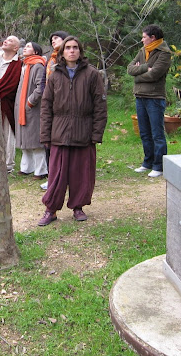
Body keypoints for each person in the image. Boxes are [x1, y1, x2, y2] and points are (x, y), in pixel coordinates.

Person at [38, 36, 107, 226]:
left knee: (81, 174)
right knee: (56, 176)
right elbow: (46, 107)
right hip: (59, 134)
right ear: (62, 52)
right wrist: (45, 134)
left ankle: (78, 207)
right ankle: (50, 210)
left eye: (75, 47)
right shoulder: (55, 75)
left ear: (80, 51)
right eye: (68, 48)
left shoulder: (92, 75)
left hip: (83, 134)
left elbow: (100, 107)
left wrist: (95, 134)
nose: (71, 51)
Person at [127, 24, 172, 178]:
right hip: (140, 97)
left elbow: (155, 75)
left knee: (157, 133)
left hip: (155, 98)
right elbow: (130, 69)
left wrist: (138, 76)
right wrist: (146, 68)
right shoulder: (143, 51)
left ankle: (159, 166)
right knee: (144, 133)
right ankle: (148, 162)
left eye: (144, 37)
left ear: (153, 38)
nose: (142, 40)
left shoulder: (164, 53)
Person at [38, 30, 69, 190]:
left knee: (64, 141)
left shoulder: (70, 58)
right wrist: (45, 97)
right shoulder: (50, 59)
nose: (53, 41)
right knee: (48, 140)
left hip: (65, 106)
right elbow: (44, 80)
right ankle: (52, 176)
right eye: (51, 39)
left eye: (56, 38)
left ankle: (66, 176)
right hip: (49, 104)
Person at [14, 42, 47, 178]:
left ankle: (41, 170)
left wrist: (30, 101)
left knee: (35, 141)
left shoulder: (37, 66)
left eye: (28, 46)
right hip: (22, 108)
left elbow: (41, 87)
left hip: (33, 109)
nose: (25, 48)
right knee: (25, 140)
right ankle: (26, 168)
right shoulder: (26, 65)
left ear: (36, 52)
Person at [0, 35, 22, 173]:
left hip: (7, 102)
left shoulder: (18, 64)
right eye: (6, 39)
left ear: (16, 48)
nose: (6, 41)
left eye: (11, 41)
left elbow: (12, 85)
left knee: (7, 134)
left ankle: (7, 165)